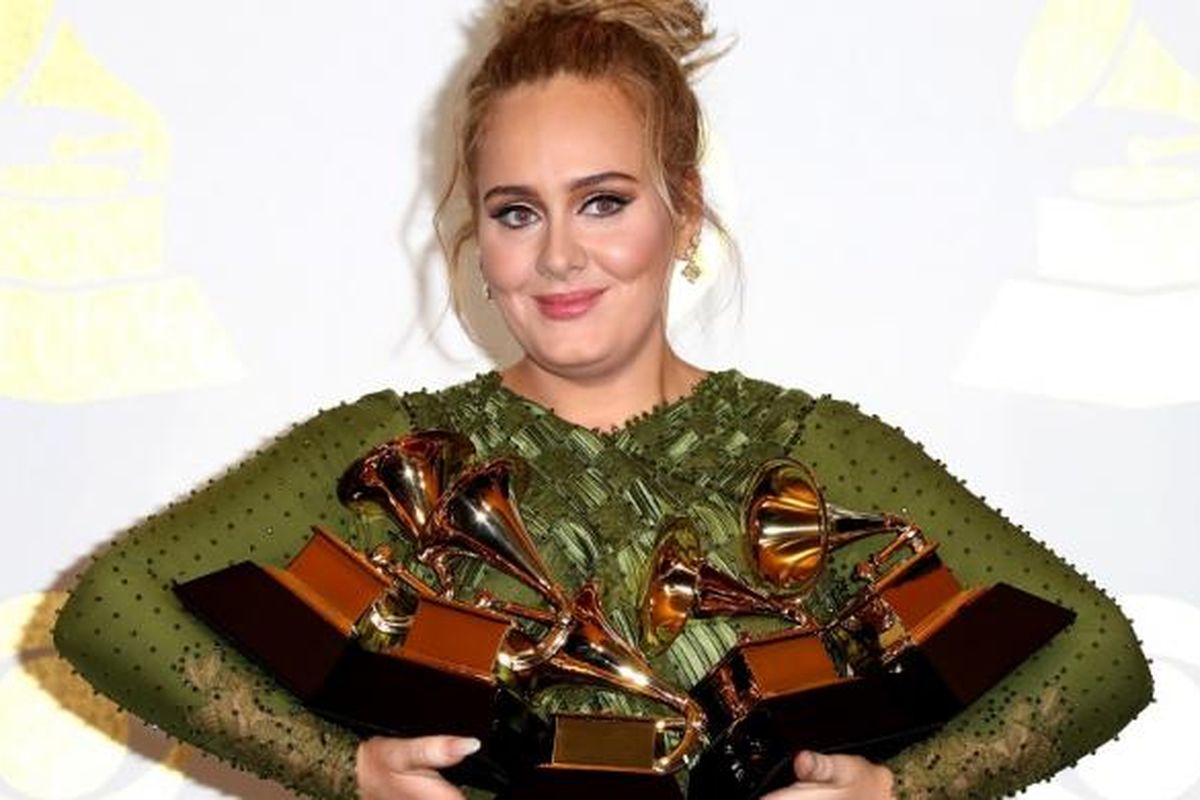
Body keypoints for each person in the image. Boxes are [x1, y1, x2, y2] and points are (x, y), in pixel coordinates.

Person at [53, 1, 1153, 799]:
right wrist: (345, 770)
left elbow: (1099, 650)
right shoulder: (391, 448)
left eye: (604, 201)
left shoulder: (817, 450)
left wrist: (900, 791)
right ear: (476, 239)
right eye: (516, 212)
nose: (559, 256)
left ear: (684, 212)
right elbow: (111, 608)